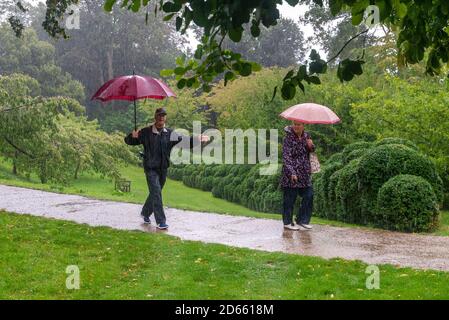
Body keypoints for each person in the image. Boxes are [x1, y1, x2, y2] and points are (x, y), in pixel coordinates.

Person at [124, 107, 209, 229]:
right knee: (156, 192)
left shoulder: (169, 133)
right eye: (159, 115)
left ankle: (145, 212)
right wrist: (133, 136)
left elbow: (185, 142)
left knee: (155, 192)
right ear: (155, 117)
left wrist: (197, 139)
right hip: (150, 168)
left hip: (163, 169)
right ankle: (161, 221)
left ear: (165, 118)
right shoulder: (145, 132)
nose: (161, 117)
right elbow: (128, 141)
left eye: (163, 115)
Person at [280, 121, 315, 231]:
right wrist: (292, 172)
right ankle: (287, 222)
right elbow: (286, 157)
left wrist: (311, 145)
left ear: (303, 125)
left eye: (299, 124)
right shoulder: (288, 139)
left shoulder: (306, 136)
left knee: (309, 195)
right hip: (291, 173)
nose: (296, 126)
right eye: (294, 124)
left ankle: (302, 220)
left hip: (304, 172)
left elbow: (311, 151)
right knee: (290, 199)